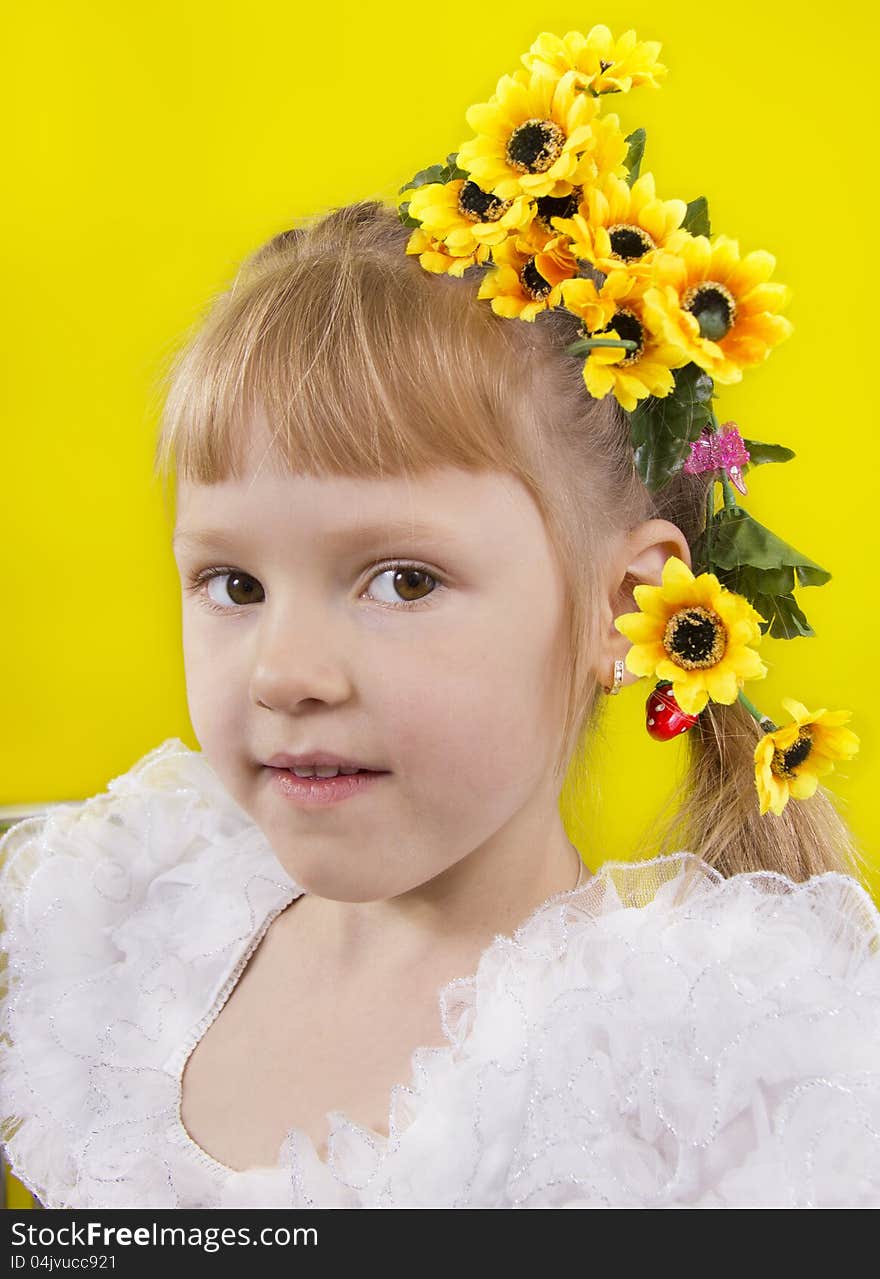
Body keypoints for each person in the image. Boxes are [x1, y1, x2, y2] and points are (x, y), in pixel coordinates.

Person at [2, 26, 879, 1210]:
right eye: (234, 584)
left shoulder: (700, 1078)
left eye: (401, 580)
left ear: (626, 611)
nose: (284, 672)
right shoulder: (120, 931)